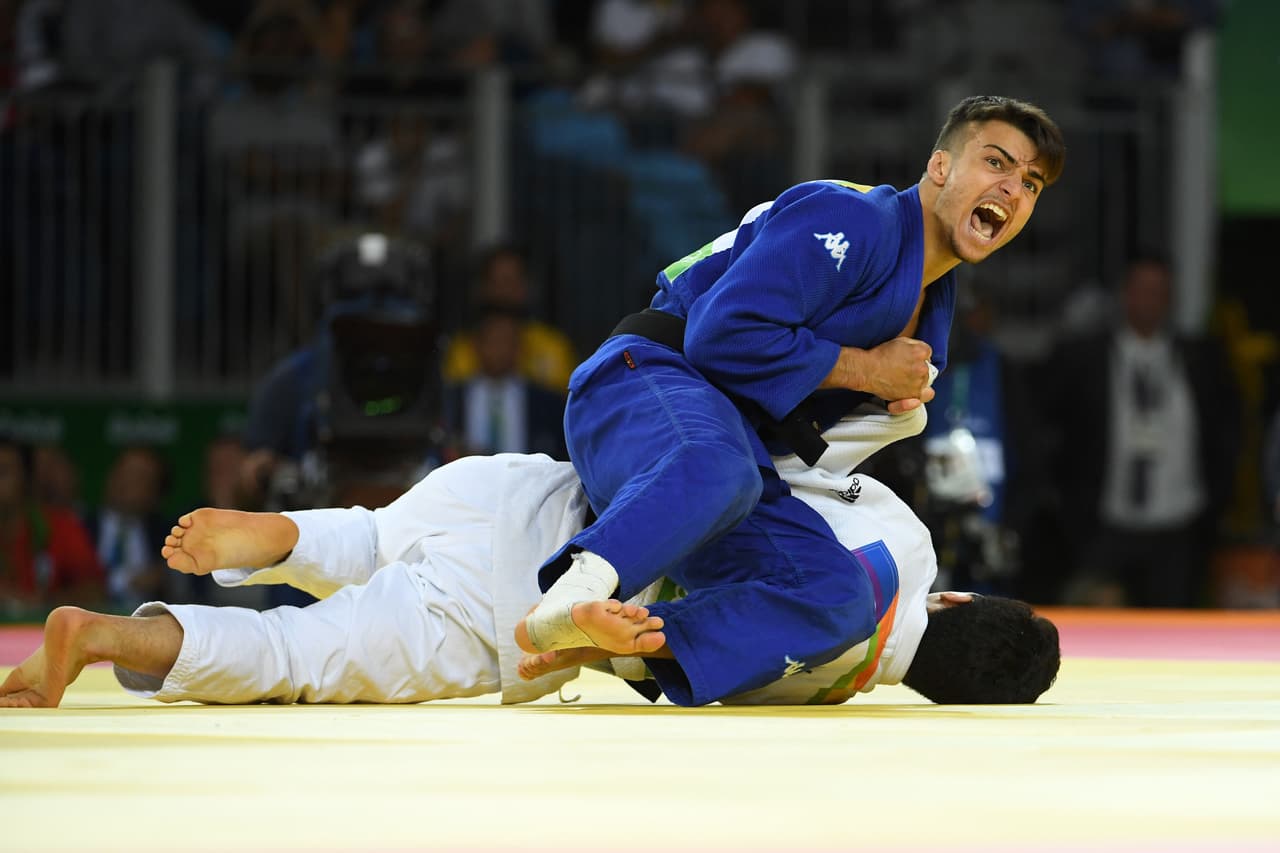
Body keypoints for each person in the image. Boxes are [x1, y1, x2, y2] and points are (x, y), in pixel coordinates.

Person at [518, 94, 1065, 705]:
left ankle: (621, 647)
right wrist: (869, 370)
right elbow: (719, 335)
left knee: (841, 598)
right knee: (722, 469)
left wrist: (892, 417)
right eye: (997, 162)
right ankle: (576, 588)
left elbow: (807, 445)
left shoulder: (932, 312)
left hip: (738, 457)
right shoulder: (858, 219)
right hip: (646, 378)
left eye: (1032, 183)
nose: (1013, 188)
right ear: (940, 166)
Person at [0, 414, 1060, 709]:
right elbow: (655, 655)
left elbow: (773, 456)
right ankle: (106, 634)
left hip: (544, 488)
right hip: (533, 609)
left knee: (380, 536)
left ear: (959, 594)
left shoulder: (902, 537)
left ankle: (300, 534)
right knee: (304, 654)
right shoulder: (827, 675)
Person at [1041, 253, 1239, 607]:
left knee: (1175, 634)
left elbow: (1225, 434)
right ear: (1124, 294)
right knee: (1098, 630)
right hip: (1104, 523)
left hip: (1179, 523)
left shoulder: (1202, 358)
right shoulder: (1084, 359)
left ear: (1171, 298)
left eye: (1159, 291)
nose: (1149, 300)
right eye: (1141, 290)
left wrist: (1217, 504)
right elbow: (1054, 431)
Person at [0, 434, 105, 616]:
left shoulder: (61, 528)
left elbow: (95, 593)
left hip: (42, 636)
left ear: (26, 479)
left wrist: (41, 604)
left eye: (2, 472)